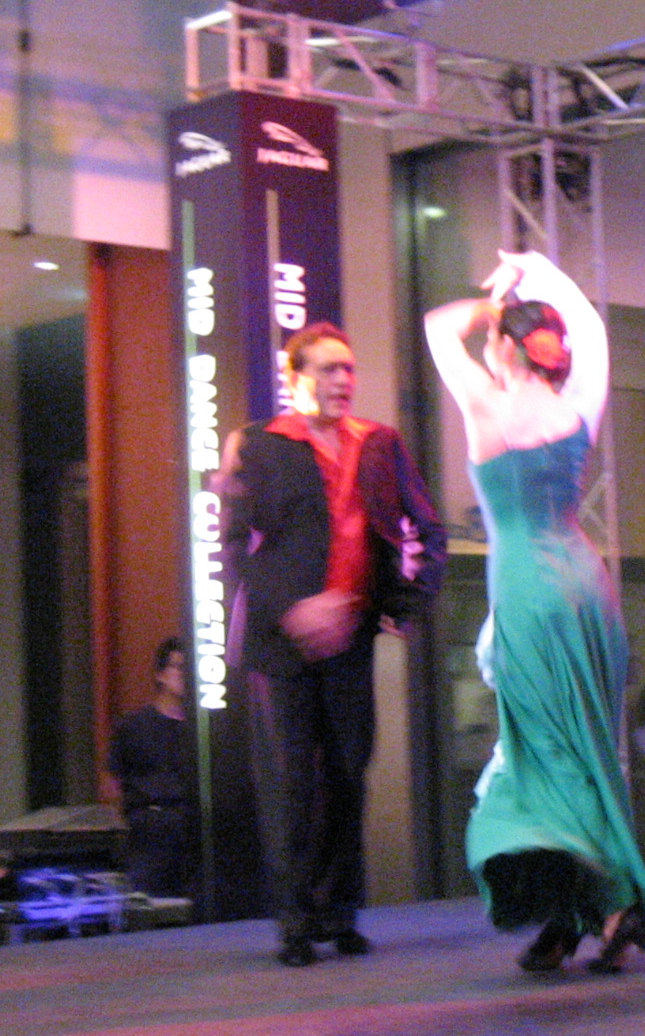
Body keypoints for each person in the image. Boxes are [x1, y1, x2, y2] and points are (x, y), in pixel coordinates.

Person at [426, 249, 645, 976]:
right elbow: (593, 330)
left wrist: (490, 306)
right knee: (588, 747)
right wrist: (538, 269)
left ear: (505, 346)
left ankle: (611, 904)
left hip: (529, 590)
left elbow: (437, 327)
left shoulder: (486, 405)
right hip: (586, 586)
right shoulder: (576, 408)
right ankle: (573, 913)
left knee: (546, 752)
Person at [217, 322, 446, 968]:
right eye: (327, 369)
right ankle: (294, 924)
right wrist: (291, 609)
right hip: (279, 641)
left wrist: (407, 603)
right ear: (295, 378)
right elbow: (234, 548)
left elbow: (426, 528)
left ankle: (339, 913)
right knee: (290, 784)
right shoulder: (258, 444)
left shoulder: (379, 443)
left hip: (350, 637)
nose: (343, 379)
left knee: (348, 775)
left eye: (348, 368)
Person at [110, 636, 196, 899]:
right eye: (178, 667)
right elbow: (113, 779)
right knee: (149, 902)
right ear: (160, 674)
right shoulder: (133, 725)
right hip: (148, 829)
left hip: (191, 824)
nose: (184, 675)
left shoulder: (199, 729)